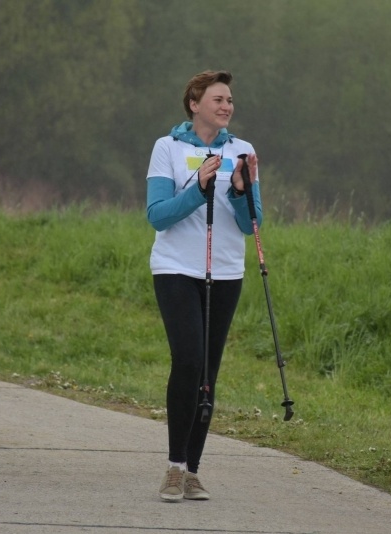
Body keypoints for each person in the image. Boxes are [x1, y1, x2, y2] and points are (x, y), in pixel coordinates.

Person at [145, 70, 261, 502]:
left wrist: (239, 191)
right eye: (218, 99)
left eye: (229, 100)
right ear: (194, 105)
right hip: (176, 268)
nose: (227, 106)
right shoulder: (168, 148)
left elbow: (252, 225)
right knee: (189, 360)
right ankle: (174, 468)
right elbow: (158, 215)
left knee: (208, 370)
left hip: (226, 272)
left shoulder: (243, 150)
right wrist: (199, 189)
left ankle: (193, 471)